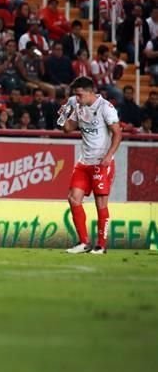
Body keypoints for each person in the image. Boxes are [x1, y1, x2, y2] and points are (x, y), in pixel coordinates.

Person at [58, 76, 122, 255]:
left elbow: (117, 133)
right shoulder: (78, 106)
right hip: (84, 162)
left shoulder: (105, 108)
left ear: (90, 92)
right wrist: (65, 113)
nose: (77, 99)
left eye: (79, 95)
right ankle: (83, 242)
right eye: (75, 96)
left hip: (101, 162)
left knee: (100, 203)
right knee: (73, 199)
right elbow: (67, 129)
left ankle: (101, 245)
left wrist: (109, 156)